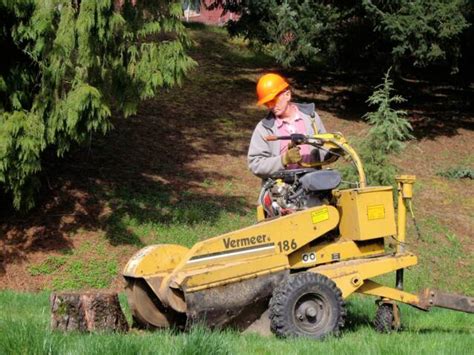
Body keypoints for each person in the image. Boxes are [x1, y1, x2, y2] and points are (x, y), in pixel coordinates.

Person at [247, 73, 328, 180]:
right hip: (281, 190)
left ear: (287, 95)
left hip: (313, 184)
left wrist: (334, 150)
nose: (271, 106)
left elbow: (325, 147)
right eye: (267, 103)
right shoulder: (263, 128)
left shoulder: (311, 117)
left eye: (273, 100)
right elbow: (255, 164)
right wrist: (283, 160)